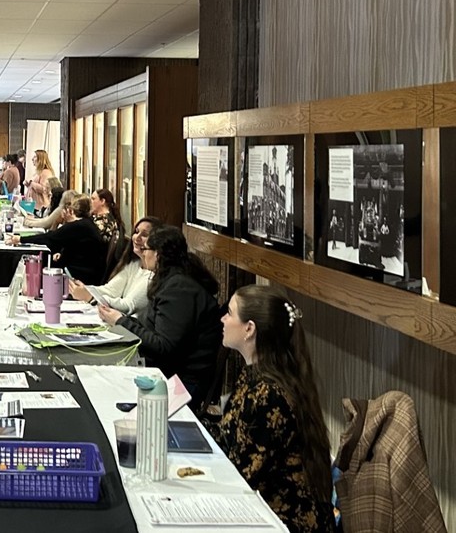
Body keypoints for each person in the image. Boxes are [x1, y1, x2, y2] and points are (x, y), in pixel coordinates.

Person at [214, 285, 335, 532]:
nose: (223, 319)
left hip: (283, 521)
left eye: (229, 313)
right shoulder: (254, 375)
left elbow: (244, 477)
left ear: (249, 329)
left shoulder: (270, 395)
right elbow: (230, 438)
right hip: (260, 509)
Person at [105, 225, 222, 406]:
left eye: (146, 250)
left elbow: (163, 346)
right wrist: (123, 321)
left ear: (158, 254)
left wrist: (121, 321)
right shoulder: (174, 281)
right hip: (171, 373)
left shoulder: (178, 289)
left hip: (182, 383)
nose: (143, 255)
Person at [68, 216, 162, 317]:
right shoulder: (134, 263)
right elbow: (111, 290)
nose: (137, 237)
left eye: (144, 235)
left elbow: (128, 306)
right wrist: (83, 289)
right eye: (136, 232)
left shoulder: (154, 274)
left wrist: (91, 298)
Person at [8, 194, 107, 285]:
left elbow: (50, 237)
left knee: (25, 261)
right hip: (88, 272)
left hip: (80, 275)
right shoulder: (87, 224)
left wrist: (20, 239)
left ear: (71, 210)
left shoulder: (78, 226)